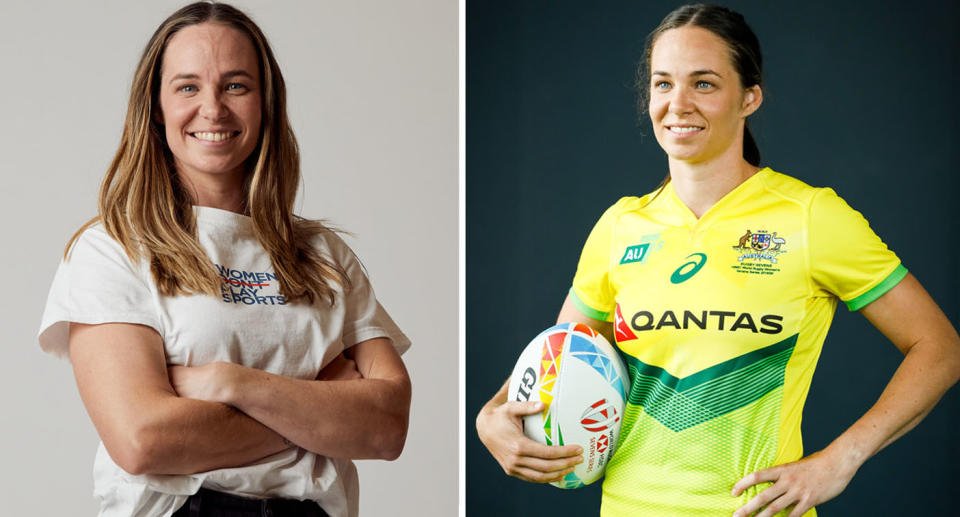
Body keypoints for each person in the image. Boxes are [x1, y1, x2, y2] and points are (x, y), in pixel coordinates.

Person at [475, 4, 960, 516]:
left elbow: (941, 348)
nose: (678, 104)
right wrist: (492, 415)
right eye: (663, 84)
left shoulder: (810, 216)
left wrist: (840, 459)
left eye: (703, 84)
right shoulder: (620, 226)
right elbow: (562, 359)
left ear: (749, 97)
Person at [37, 2, 411, 516]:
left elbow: (387, 426)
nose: (213, 108)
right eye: (187, 86)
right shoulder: (113, 249)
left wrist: (231, 383)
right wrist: (318, 414)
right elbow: (143, 440)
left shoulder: (323, 256)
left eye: (236, 85)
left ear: (266, 104)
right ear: (156, 106)